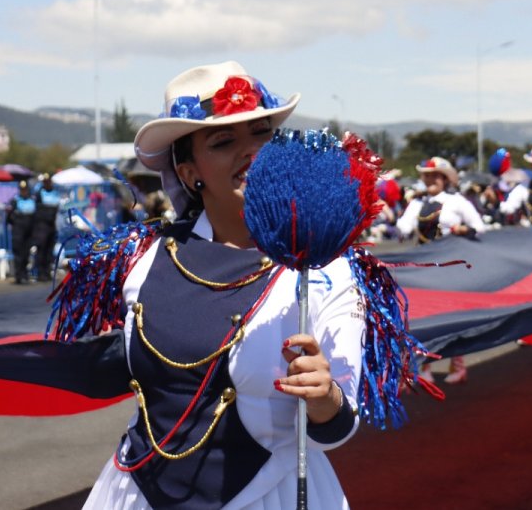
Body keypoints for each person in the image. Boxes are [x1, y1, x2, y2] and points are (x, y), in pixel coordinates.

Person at [54, 61, 372, 509]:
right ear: (188, 173)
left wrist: (325, 399)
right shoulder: (142, 260)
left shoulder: (324, 266)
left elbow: (339, 426)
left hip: (272, 496)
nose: (251, 152)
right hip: (137, 494)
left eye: (261, 134)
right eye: (224, 142)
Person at [396, 157, 484, 385]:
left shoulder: (456, 201)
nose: (430, 180)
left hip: (449, 267)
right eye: (426, 176)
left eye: (435, 176)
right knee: (423, 316)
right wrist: (403, 225)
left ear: (445, 179)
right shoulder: (417, 203)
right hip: (423, 267)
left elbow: (479, 227)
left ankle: (458, 365)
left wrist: (462, 230)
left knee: (451, 316)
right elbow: (403, 227)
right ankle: (425, 366)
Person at [29, 173, 62, 282]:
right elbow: (37, 210)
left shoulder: (55, 192)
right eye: (45, 182)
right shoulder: (39, 193)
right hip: (42, 226)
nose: (47, 184)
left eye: (49, 182)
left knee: (49, 250)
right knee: (41, 250)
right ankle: (40, 272)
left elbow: (57, 207)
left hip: (52, 226)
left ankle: (47, 272)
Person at [6, 179, 37, 284]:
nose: (24, 191)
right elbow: (9, 217)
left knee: (26, 253)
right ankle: (19, 275)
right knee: (18, 254)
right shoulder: (15, 201)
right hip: (18, 231)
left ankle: (25, 274)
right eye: (22, 190)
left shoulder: (32, 199)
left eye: (25, 189)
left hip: (28, 231)